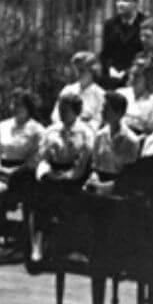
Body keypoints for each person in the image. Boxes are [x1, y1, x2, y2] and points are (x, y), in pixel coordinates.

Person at [29, 94, 94, 265]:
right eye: (60, 109)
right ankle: (38, 245)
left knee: (70, 198)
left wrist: (69, 176)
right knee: (40, 195)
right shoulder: (51, 131)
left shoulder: (86, 132)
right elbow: (41, 157)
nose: (62, 113)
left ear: (76, 111)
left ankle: (70, 247)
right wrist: (47, 172)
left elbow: (85, 160)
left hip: (74, 176)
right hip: (52, 174)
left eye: (66, 110)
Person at [86, 91, 140, 190]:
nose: (102, 111)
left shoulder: (131, 141)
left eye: (107, 109)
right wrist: (94, 179)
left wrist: (102, 187)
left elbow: (128, 177)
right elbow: (95, 165)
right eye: (103, 107)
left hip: (118, 188)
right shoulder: (99, 135)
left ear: (119, 113)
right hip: (99, 183)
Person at [0, 88, 45, 174]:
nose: (14, 107)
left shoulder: (37, 130)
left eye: (19, 105)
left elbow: (38, 157)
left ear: (28, 107)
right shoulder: (2, 126)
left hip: (25, 175)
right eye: (13, 103)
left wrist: (16, 171)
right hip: (1, 171)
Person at [99, 0, 145, 88]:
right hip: (112, 77)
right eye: (118, 0)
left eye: (125, 0)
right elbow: (105, 54)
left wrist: (128, 72)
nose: (120, 4)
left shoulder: (144, 24)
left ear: (136, 3)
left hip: (136, 77)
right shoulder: (110, 24)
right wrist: (110, 69)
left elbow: (145, 54)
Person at [50, 51, 105, 128]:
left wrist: (78, 127)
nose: (78, 74)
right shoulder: (68, 90)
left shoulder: (100, 95)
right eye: (76, 70)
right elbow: (55, 115)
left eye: (82, 70)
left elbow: (98, 121)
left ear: (92, 71)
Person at [118, 54, 153, 134]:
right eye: (131, 74)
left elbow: (152, 129)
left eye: (137, 76)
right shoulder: (120, 93)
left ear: (148, 78)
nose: (132, 78)